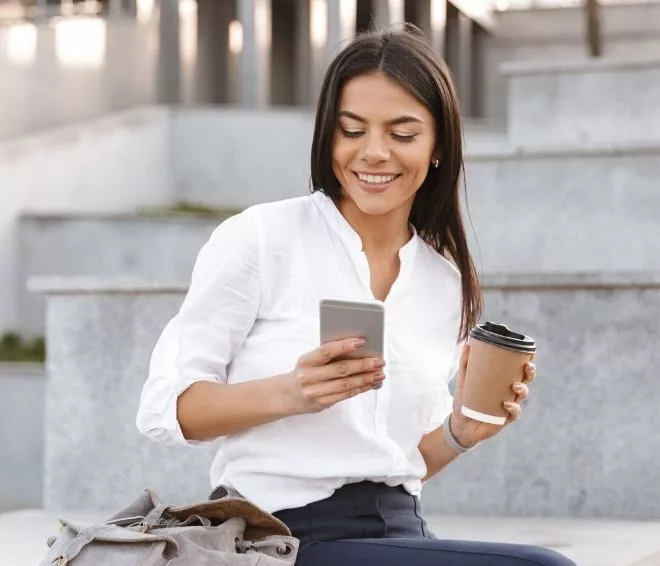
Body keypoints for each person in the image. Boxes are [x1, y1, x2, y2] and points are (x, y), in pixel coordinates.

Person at [136, 25, 575, 566]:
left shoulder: (444, 280)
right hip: (279, 537)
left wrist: (461, 431)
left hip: (397, 534)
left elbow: (400, 462)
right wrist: (292, 391)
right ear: (328, 136)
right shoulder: (261, 238)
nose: (373, 153)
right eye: (352, 130)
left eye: (403, 134)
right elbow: (167, 410)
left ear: (439, 146)